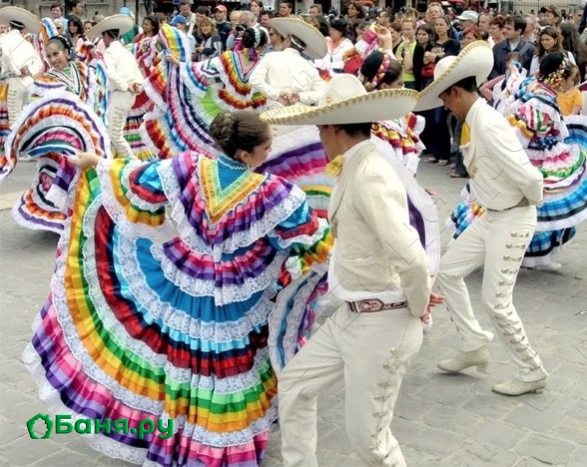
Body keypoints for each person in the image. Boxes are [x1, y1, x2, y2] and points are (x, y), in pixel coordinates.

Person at [22, 104, 332, 465]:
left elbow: (136, 178)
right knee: (223, 366)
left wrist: (98, 164)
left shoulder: (189, 167)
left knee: (182, 359)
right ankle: (213, 446)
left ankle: (177, 433)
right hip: (234, 297)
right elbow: (314, 241)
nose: (270, 151)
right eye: (266, 146)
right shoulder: (275, 193)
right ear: (246, 154)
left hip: (186, 282)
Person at [261, 73, 440, 467]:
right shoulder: (355, 165)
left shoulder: (370, 173)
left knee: (370, 442)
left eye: (320, 129)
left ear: (334, 128)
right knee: (295, 385)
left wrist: (417, 303)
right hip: (353, 312)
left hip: (383, 322)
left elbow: (410, 256)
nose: (319, 138)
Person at [416, 41, 549, 396]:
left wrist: (527, 203)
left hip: (512, 217)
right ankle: (474, 343)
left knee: (496, 302)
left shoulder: (487, 123)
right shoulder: (476, 119)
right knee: (448, 271)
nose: (445, 106)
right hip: (492, 216)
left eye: (444, 99)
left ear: (456, 92)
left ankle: (532, 370)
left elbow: (529, 176)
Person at [2, 35, 104, 234]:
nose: (53, 59)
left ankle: (84, 214)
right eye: (48, 56)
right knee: (60, 173)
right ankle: (62, 219)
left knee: (85, 173)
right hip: (58, 138)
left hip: (84, 134)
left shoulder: (83, 71)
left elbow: (96, 96)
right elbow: (36, 108)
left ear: (66, 52)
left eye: (56, 54)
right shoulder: (45, 80)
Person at [88, 14, 143, 159]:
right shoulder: (125, 51)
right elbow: (138, 74)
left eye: (103, 36)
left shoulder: (110, 52)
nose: (103, 39)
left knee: (114, 134)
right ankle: (115, 161)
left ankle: (134, 163)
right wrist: (135, 85)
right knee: (113, 132)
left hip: (121, 93)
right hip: (125, 94)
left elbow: (111, 74)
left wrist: (126, 86)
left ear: (106, 35)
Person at [250, 17, 327, 108]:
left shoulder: (270, 57)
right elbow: (323, 92)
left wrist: (277, 95)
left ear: (288, 40)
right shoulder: (310, 67)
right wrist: (300, 97)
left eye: (284, 39)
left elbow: (254, 80)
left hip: (274, 112)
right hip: (301, 113)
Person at [0, 7, 43, 124]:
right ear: (23, 28)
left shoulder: (3, 39)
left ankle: (15, 135)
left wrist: (17, 71)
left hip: (13, 81)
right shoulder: (27, 44)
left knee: (14, 118)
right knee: (25, 115)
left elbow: (6, 55)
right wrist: (29, 70)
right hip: (28, 82)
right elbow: (39, 63)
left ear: (9, 26)